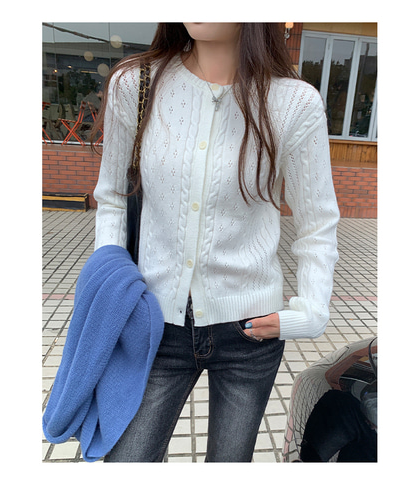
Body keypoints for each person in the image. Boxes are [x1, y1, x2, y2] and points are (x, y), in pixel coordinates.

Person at [91, 23, 340, 462]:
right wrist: (112, 288)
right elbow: (112, 196)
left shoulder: (294, 103)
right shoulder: (136, 84)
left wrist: (311, 313)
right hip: (154, 325)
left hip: (251, 332)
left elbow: (317, 221)